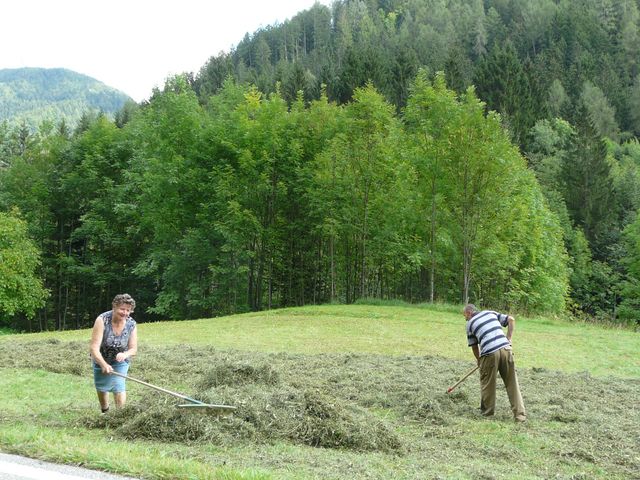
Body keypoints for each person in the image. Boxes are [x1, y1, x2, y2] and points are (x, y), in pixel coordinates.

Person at [463, 303, 526, 422]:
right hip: (506, 350)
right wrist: (509, 338)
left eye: (465, 315)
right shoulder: (490, 312)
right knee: (512, 383)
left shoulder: (470, 324)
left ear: (469, 312)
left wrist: (479, 360)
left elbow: (474, 346)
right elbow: (511, 320)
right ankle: (520, 416)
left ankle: (487, 413)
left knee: (488, 383)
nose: (465, 318)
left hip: (490, 354)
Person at [90, 293, 138, 413]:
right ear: (114, 307)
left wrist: (125, 354)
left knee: (118, 386)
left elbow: (133, 349)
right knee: (102, 386)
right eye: (122, 309)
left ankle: (119, 415)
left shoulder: (131, 324)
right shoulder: (102, 320)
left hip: (119, 360)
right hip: (101, 357)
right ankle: (105, 410)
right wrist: (103, 364)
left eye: (128, 310)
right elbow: (94, 348)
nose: (125, 313)